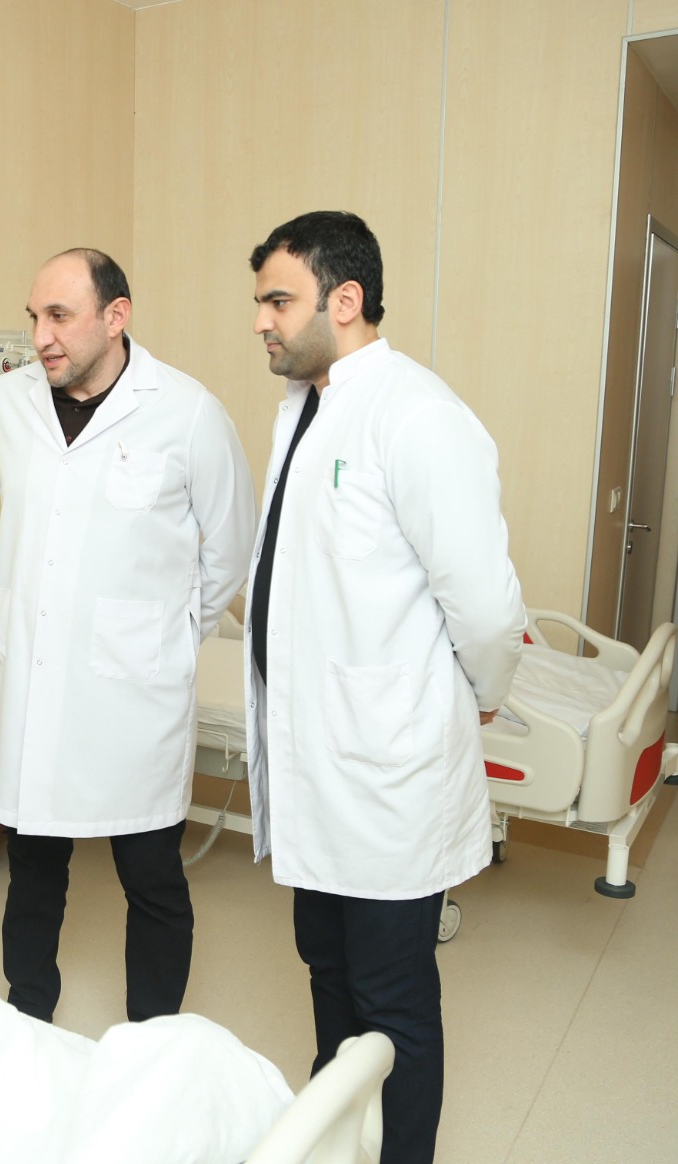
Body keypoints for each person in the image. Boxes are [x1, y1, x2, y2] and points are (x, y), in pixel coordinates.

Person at [244, 211, 524, 1163]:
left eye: (278, 300)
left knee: (393, 1002)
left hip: (384, 773)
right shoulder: (304, 409)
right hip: (317, 763)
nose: (261, 321)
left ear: (346, 300)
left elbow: (485, 607)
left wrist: (481, 693)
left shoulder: (417, 415)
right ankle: (336, 1142)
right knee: (327, 975)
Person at [0, 247, 256, 1025]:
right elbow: (37, 517)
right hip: (34, 681)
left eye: (59, 316)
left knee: (152, 878)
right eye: (34, 317)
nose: (40, 336)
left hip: (132, 696)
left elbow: (230, 548)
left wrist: (162, 633)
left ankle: (152, 1042)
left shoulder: (188, 413)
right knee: (33, 869)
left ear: (115, 316)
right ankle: (28, 1015)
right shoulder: (9, 404)